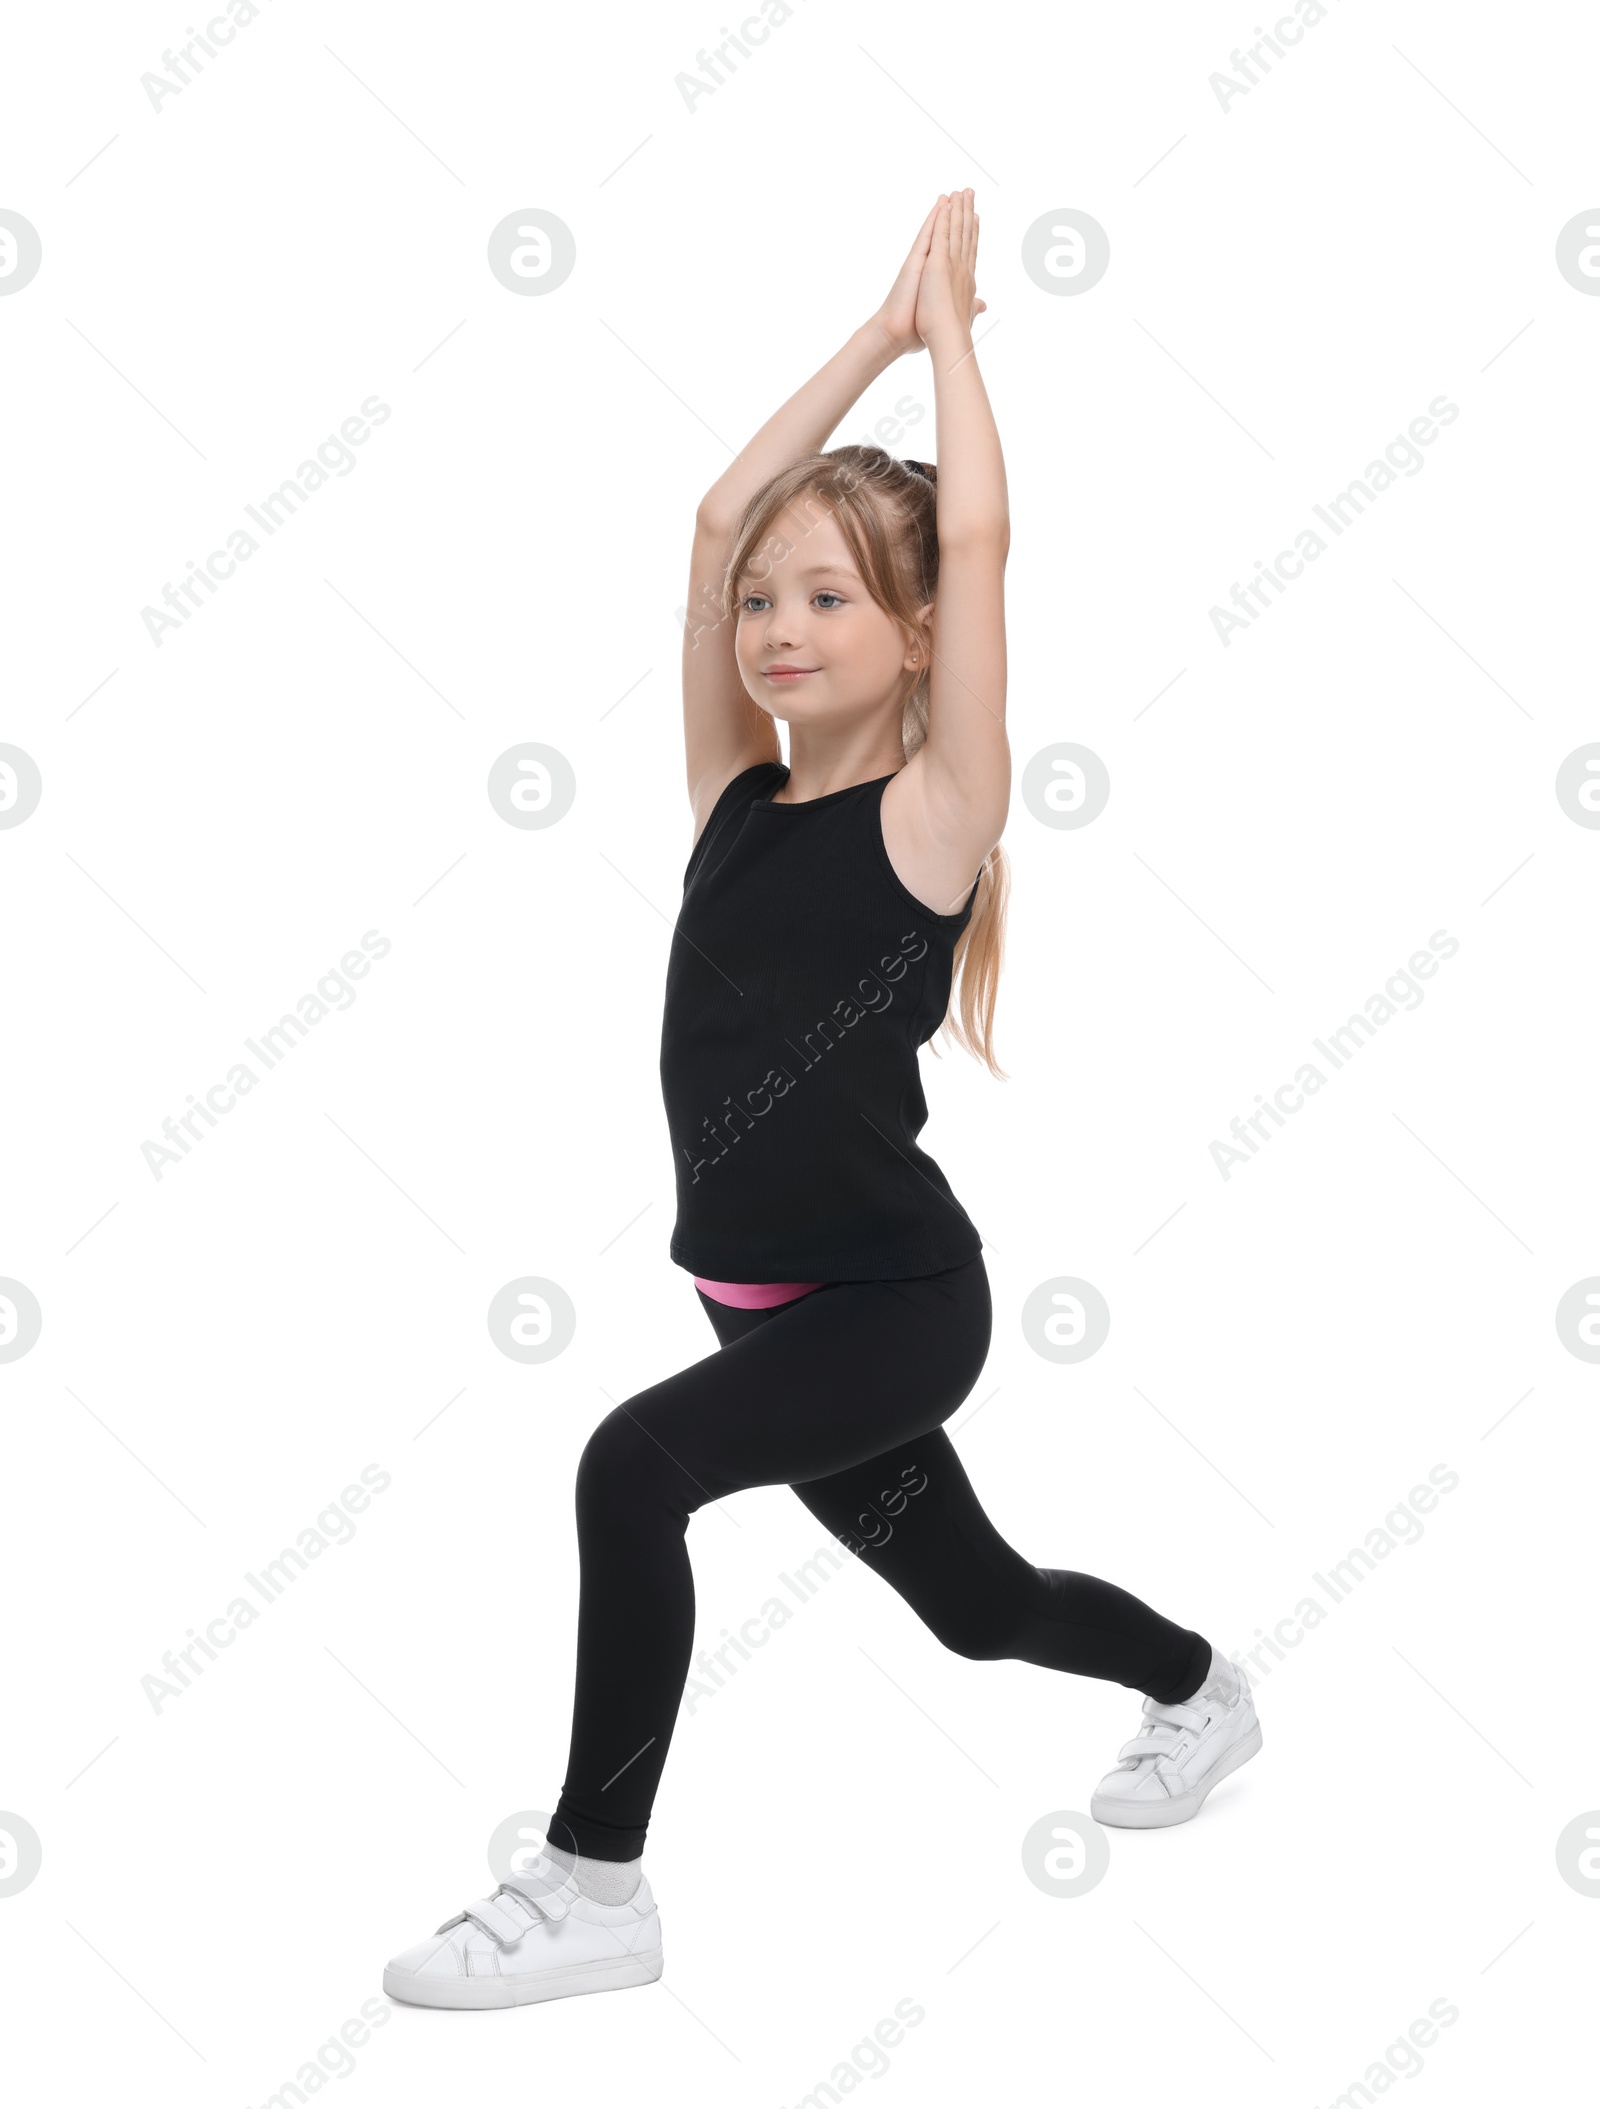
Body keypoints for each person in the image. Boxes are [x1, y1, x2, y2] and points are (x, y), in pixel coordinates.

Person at [383, 191, 1261, 2013]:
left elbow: (992, 539)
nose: (777, 625)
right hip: (757, 1301)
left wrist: (951, 343)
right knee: (979, 1606)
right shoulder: (732, 802)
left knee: (632, 1469)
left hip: (890, 1308)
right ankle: (1198, 1686)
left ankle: (595, 1881)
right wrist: (862, 334)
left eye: (829, 596)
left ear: (921, 630)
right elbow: (711, 524)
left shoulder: (935, 819)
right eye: (767, 606)